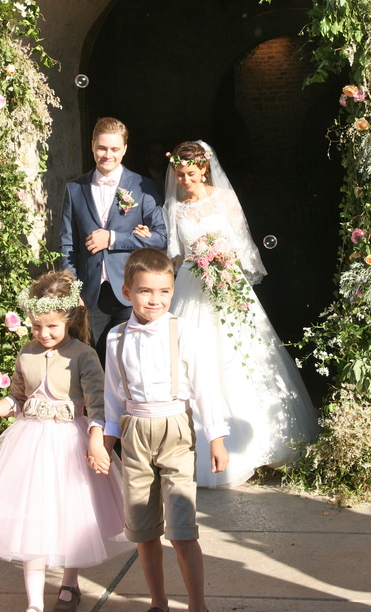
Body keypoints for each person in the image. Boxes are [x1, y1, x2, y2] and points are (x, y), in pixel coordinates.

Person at [0, 270, 133, 612]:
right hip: (31, 445)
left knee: (71, 515)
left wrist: (97, 442)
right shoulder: (27, 353)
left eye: (51, 326)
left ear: (69, 319)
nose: (43, 333)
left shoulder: (83, 355)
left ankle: (69, 582)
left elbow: (98, 406)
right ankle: (34, 603)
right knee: (31, 521)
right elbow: (18, 400)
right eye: (36, 326)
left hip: (70, 444)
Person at [163, 140, 319, 488]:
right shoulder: (173, 208)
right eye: (180, 175)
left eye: (190, 174)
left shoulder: (224, 199)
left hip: (227, 282)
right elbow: (175, 254)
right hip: (190, 285)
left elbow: (244, 244)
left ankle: (259, 442)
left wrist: (223, 259)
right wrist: (195, 262)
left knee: (240, 355)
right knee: (193, 359)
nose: (185, 181)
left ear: (204, 168)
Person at [102, 247, 229, 612]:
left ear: (173, 291)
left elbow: (205, 387)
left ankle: (197, 604)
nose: (155, 300)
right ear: (127, 292)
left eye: (164, 292)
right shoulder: (115, 337)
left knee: (183, 530)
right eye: (145, 291)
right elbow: (113, 394)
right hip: (134, 433)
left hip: (175, 431)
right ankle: (158, 602)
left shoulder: (183, 332)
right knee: (144, 532)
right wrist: (107, 441)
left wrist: (216, 438)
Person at [59, 117, 167, 368]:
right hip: (90, 294)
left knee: (132, 361)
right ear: (92, 146)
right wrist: (72, 289)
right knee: (94, 363)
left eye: (114, 149)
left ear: (125, 149)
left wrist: (113, 239)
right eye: (102, 148)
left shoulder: (142, 186)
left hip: (132, 289)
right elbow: (67, 244)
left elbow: (161, 238)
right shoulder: (75, 189)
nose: (108, 155)